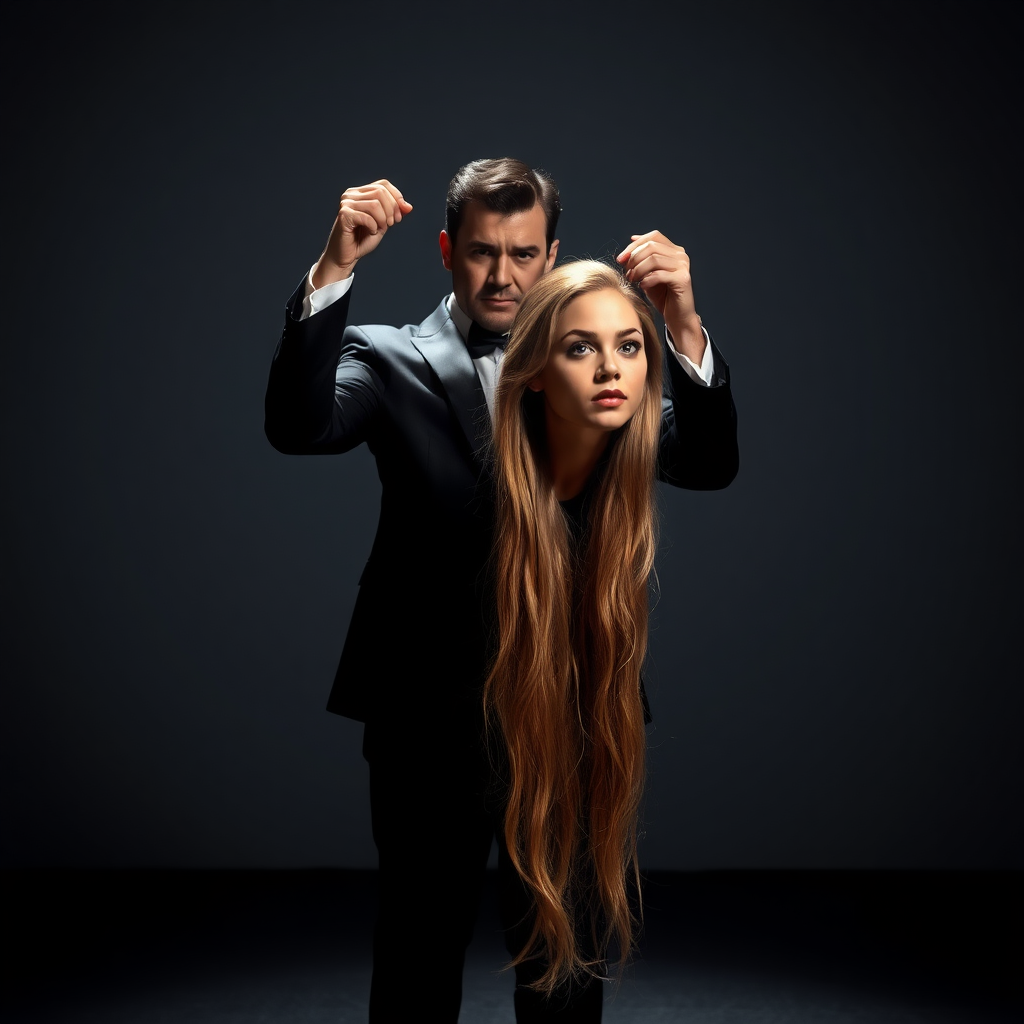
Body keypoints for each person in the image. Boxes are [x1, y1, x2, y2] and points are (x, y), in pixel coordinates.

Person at [263, 157, 738, 1022]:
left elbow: (708, 463)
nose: (503, 275)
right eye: (483, 252)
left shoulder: (599, 368)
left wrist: (683, 323)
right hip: (425, 715)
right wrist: (336, 268)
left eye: (524, 255)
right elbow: (299, 427)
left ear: (551, 256)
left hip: (572, 707)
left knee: (565, 967)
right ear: (448, 251)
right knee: (416, 953)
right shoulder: (388, 355)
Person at [485, 260, 664, 1008]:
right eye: (580, 348)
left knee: (571, 946)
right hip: (462, 719)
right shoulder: (477, 493)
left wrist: (681, 319)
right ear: (531, 371)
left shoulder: (626, 475)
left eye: (628, 346)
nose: (610, 369)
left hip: (583, 724)